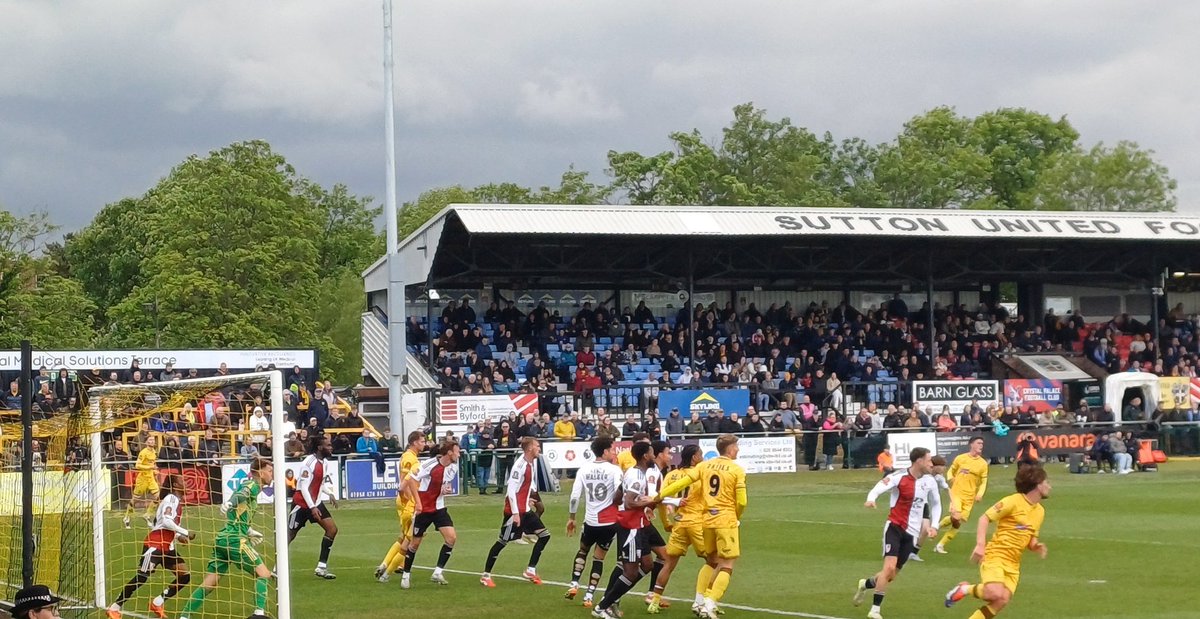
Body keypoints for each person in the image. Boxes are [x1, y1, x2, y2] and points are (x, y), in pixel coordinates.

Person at [656, 434, 747, 619]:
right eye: (736, 446)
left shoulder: (704, 466)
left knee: (711, 560)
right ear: (729, 449)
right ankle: (710, 602)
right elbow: (742, 502)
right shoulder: (736, 470)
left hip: (706, 520)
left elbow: (682, 483)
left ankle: (700, 601)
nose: (737, 449)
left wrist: (658, 496)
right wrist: (736, 516)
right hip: (725, 520)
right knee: (727, 563)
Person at [944, 465, 1051, 619]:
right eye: (1046, 482)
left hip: (1013, 564)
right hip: (996, 556)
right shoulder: (1013, 501)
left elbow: (1031, 537)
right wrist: (980, 545)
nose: (1049, 486)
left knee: (1001, 600)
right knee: (994, 592)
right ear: (1036, 484)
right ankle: (964, 589)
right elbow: (984, 518)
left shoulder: (1040, 511)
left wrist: (1035, 546)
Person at [179, 457, 274, 619]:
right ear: (260, 472)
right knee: (264, 574)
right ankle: (259, 614)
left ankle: (184, 616)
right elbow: (240, 495)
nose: (272, 474)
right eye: (270, 471)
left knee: (209, 584)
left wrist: (249, 530)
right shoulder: (251, 485)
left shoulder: (254, 488)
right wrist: (230, 502)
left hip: (224, 539)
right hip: (235, 540)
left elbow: (237, 513)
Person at [853, 447, 941, 619]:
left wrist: (935, 526)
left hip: (912, 534)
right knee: (889, 567)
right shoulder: (899, 476)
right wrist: (871, 499)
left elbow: (936, 503)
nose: (932, 463)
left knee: (891, 575)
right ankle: (875, 610)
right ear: (919, 461)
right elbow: (880, 486)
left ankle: (866, 583)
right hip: (894, 527)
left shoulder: (929, 482)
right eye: (929, 460)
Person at [107, 474, 196, 619]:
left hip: (167, 547)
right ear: (175, 485)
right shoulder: (172, 499)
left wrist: (178, 536)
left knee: (184, 576)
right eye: (182, 481)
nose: (186, 483)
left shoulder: (175, 501)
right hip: (154, 546)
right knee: (142, 577)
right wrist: (186, 532)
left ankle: (157, 602)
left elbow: (159, 523)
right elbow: (166, 521)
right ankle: (115, 607)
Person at [590, 441, 660, 619]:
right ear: (645, 456)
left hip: (637, 526)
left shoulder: (632, 472)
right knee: (630, 571)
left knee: (648, 565)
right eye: (652, 453)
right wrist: (649, 501)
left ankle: (613, 597)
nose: (654, 456)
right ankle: (602, 606)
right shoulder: (637, 476)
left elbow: (617, 498)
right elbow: (629, 503)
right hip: (631, 528)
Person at [480, 437, 552, 587]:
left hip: (524, 510)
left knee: (545, 535)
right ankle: (485, 575)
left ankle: (530, 570)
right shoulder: (519, 466)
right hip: (514, 512)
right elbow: (511, 491)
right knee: (502, 541)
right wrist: (515, 513)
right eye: (537, 446)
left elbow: (523, 488)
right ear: (530, 448)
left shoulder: (531, 463)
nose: (539, 448)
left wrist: (526, 500)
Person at [564, 436, 623, 608]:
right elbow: (620, 494)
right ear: (605, 451)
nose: (614, 452)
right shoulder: (614, 470)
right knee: (599, 558)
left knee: (583, 551)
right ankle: (589, 595)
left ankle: (574, 583)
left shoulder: (583, 469)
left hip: (590, 522)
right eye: (612, 449)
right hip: (609, 523)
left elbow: (575, 496)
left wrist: (572, 518)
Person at [647, 444, 705, 614]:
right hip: (696, 523)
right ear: (694, 457)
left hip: (679, 525)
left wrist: (666, 523)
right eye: (700, 454)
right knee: (714, 562)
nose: (702, 457)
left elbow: (662, 501)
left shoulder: (671, 475)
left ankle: (654, 601)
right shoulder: (699, 475)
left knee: (669, 564)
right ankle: (702, 602)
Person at [399, 441, 461, 586]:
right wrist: (418, 503)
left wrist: (446, 489)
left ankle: (437, 572)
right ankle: (406, 576)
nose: (459, 454)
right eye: (457, 451)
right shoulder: (430, 464)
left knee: (451, 538)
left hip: (439, 508)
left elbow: (445, 483)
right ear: (450, 453)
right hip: (424, 509)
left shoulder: (453, 467)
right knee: (414, 544)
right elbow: (413, 481)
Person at [377, 431, 428, 585]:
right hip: (409, 503)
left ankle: (385, 564)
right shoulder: (411, 460)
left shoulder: (407, 456)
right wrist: (409, 500)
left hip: (404, 502)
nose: (424, 443)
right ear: (414, 442)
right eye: (422, 441)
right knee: (410, 541)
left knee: (403, 537)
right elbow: (403, 485)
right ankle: (387, 573)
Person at [287, 435, 339, 580]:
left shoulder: (325, 463)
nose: (331, 447)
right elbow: (303, 487)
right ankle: (277, 568)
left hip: (315, 503)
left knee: (332, 529)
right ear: (319, 447)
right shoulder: (308, 463)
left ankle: (321, 567)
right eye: (328, 445)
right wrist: (312, 507)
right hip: (301, 504)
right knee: (289, 536)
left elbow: (319, 483)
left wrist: (329, 493)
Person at [935, 437, 990, 555]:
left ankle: (940, 543)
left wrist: (979, 494)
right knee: (956, 517)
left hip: (969, 497)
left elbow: (984, 481)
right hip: (957, 494)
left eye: (982, 443)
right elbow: (951, 470)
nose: (981, 445)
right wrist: (950, 478)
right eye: (979, 443)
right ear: (971, 445)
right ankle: (935, 528)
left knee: (957, 522)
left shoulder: (983, 464)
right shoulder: (960, 458)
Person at [125, 435, 160, 529]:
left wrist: (154, 471)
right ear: (146, 442)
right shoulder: (143, 452)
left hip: (151, 478)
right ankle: (127, 517)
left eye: (153, 439)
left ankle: (147, 515)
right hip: (142, 479)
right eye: (150, 440)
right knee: (135, 499)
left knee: (158, 497)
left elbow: (152, 464)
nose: (152, 441)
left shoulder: (154, 452)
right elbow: (137, 465)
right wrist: (149, 468)